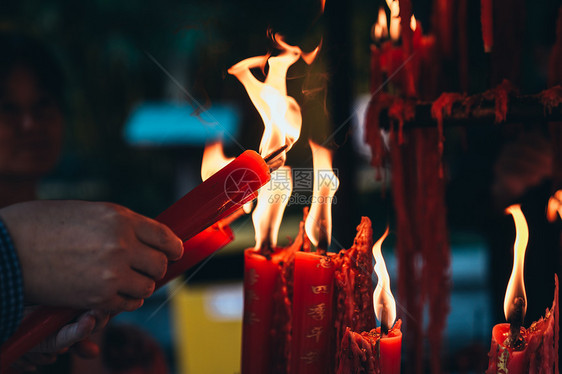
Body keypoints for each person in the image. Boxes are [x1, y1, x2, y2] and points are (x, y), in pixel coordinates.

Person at [0, 30, 184, 371]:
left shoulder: (75, 235)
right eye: (8, 109)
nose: (29, 124)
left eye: (43, 105)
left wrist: (107, 352)